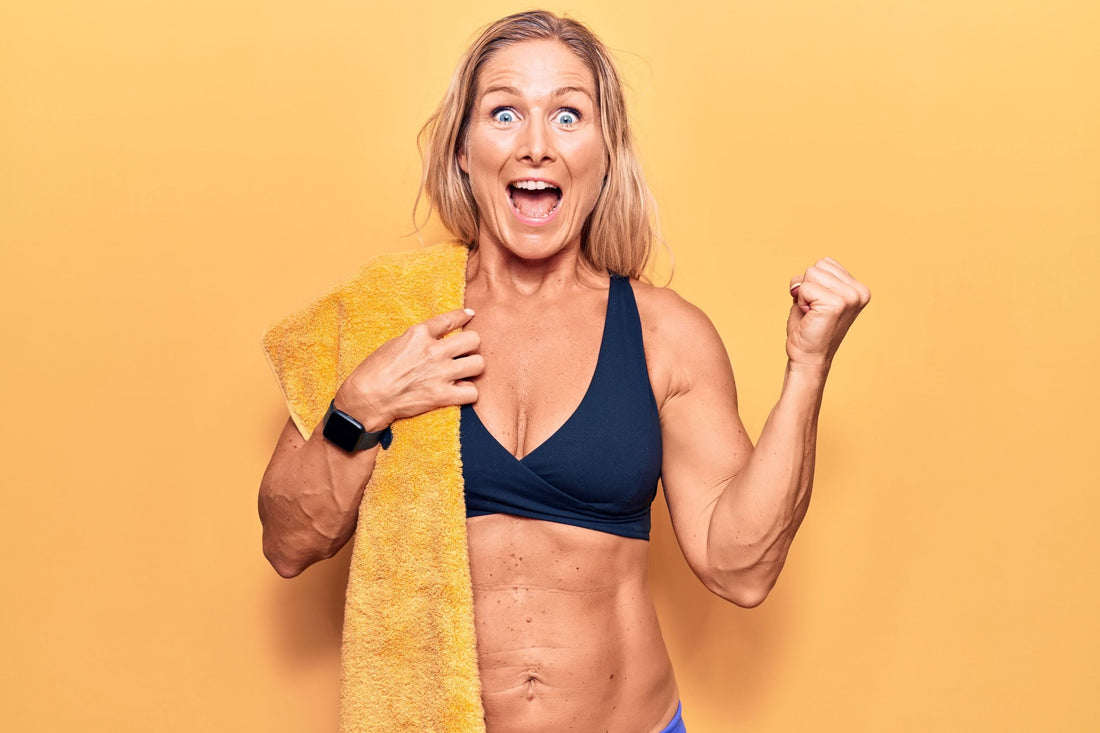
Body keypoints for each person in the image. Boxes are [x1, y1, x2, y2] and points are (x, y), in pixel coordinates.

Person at [258, 10, 870, 733]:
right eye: (505, 113)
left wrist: (807, 367)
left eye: (568, 116)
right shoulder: (386, 318)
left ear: (605, 155)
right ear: (462, 149)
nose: (536, 146)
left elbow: (740, 568)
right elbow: (287, 544)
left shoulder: (665, 334)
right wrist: (361, 403)